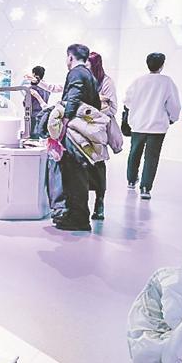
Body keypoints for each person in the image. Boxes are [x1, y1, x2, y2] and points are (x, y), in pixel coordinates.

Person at [55, 44, 101, 231]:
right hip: (84, 132)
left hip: (74, 132)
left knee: (73, 174)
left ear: (70, 57)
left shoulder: (76, 73)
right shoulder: (89, 75)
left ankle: (78, 218)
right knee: (79, 174)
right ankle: (75, 214)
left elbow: (73, 98)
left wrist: (64, 121)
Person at [124, 53, 181, 200]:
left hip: (138, 124)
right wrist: (172, 118)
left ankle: (131, 180)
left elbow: (127, 101)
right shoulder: (167, 82)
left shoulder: (138, 81)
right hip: (157, 126)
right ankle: (145, 188)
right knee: (151, 158)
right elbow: (174, 105)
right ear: (162, 65)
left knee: (134, 153)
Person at [86, 52, 118, 220]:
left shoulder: (106, 82)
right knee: (81, 166)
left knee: (98, 166)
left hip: (98, 131)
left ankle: (99, 203)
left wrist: (93, 109)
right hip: (81, 129)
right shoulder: (82, 79)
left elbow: (113, 109)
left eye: (87, 64)